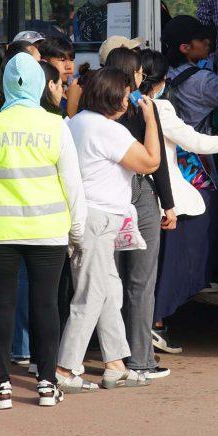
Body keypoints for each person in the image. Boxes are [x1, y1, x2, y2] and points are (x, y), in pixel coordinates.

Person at [0, 53, 86, 409]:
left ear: (3, 85)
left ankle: (0, 387)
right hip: (48, 232)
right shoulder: (57, 125)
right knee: (46, 305)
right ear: (37, 84)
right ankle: (47, 385)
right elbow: (73, 187)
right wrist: (77, 234)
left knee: (1, 306)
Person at [56, 67, 161, 392]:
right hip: (98, 220)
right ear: (114, 98)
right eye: (126, 93)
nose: (130, 99)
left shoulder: (77, 122)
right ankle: (64, 368)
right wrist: (151, 118)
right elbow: (150, 162)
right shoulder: (108, 130)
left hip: (89, 217)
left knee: (109, 290)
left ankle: (116, 364)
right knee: (91, 294)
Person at [142, 49, 218, 354]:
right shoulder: (158, 107)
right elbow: (194, 142)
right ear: (160, 81)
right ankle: (156, 322)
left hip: (137, 197)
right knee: (204, 225)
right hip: (166, 200)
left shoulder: (120, 104)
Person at [103, 46, 176, 379]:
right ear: (132, 75)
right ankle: (141, 359)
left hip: (104, 195)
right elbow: (155, 161)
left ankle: (112, 356)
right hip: (139, 192)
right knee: (141, 282)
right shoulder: (144, 108)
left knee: (109, 279)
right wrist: (169, 204)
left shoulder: (95, 109)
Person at [161, 15, 218, 131]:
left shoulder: (166, 71)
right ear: (185, 48)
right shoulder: (203, 81)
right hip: (199, 146)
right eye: (200, 39)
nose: (207, 41)